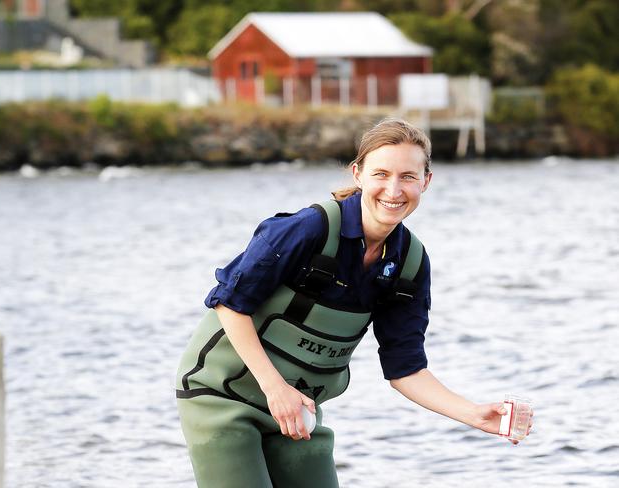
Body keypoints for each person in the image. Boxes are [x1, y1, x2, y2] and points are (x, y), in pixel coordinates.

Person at [175, 118, 532, 487]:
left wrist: (474, 415)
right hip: (221, 395)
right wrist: (275, 388)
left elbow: (405, 369)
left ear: (426, 181)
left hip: (298, 408)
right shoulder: (307, 229)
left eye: (408, 177)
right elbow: (230, 303)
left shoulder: (410, 262)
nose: (394, 189)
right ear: (358, 173)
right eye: (381, 174)